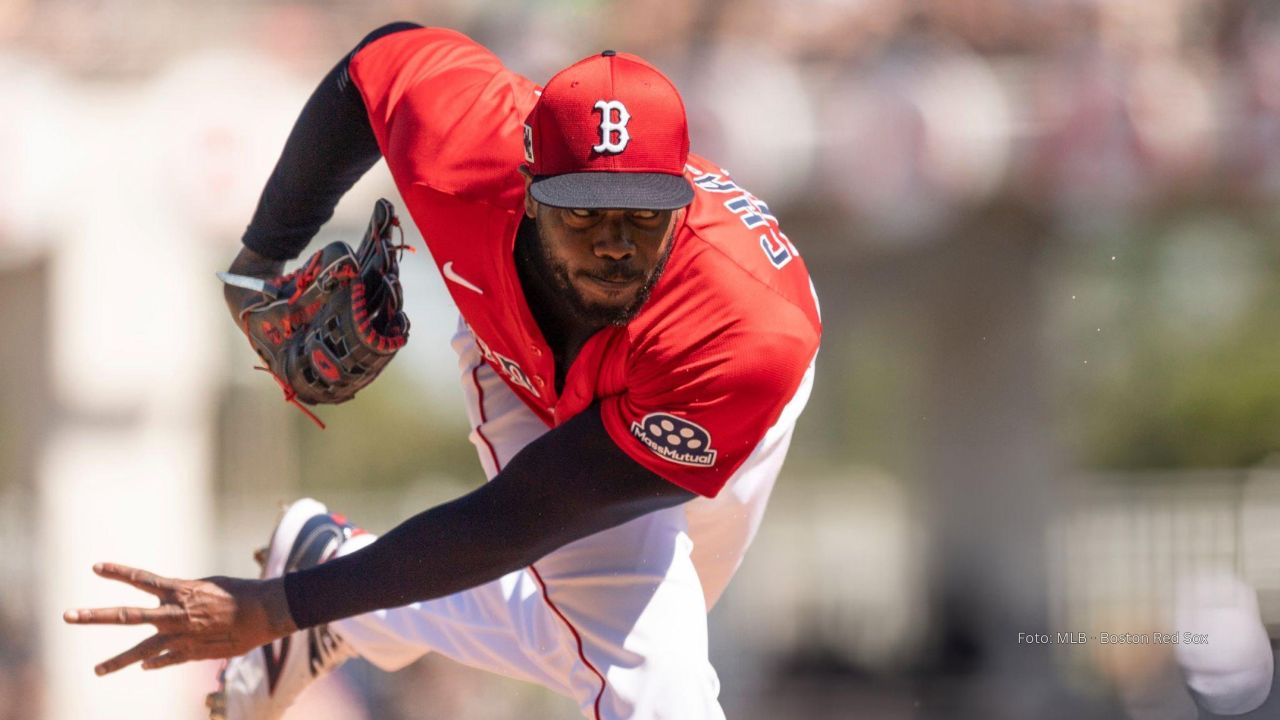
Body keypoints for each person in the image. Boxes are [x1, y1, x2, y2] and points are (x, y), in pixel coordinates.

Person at [63, 22, 821, 720]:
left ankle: (335, 573)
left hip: (705, 396)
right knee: (657, 683)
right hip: (512, 355)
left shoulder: (742, 336)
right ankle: (340, 585)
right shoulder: (467, 140)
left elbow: (521, 519)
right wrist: (261, 255)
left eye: (643, 216)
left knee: (600, 640)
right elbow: (374, 68)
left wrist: (285, 604)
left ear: (680, 203)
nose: (615, 244)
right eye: (583, 213)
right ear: (527, 184)